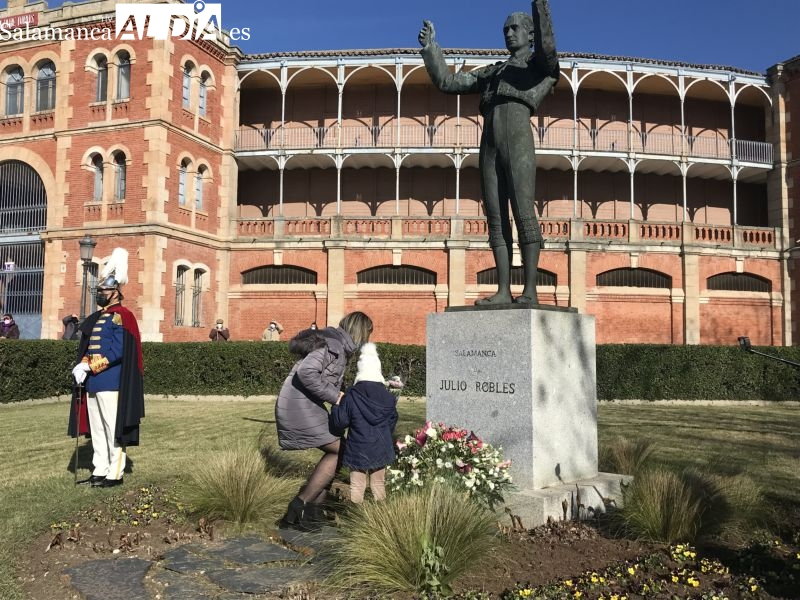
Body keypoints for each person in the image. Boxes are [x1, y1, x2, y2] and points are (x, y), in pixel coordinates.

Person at [418, 0, 559, 305]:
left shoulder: (538, 66)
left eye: (515, 28)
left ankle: (531, 290)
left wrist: (539, 5)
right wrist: (432, 50)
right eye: (505, 29)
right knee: (495, 217)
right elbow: (448, 81)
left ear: (529, 33)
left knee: (524, 213)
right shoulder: (494, 72)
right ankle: (504, 290)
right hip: (490, 143)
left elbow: (548, 46)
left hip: (518, 137)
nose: (509, 34)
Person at [275, 311, 374, 530]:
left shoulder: (338, 346)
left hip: (305, 405)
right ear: (358, 331)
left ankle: (312, 511)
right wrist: (336, 396)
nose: (367, 340)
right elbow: (307, 373)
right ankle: (300, 505)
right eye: (367, 334)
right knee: (340, 450)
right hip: (299, 406)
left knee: (341, 450)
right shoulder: (334, 345)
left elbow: (326, 379)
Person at [67, 248, 145, 488]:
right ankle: (99, 469)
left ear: (115, 293)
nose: (100, 293)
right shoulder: (100, 316)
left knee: (112, 427)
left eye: (104, 290)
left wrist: (91, 367)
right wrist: (82, 364)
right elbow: (90, 348)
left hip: (111, 381)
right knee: (97, 429)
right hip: (94, 382)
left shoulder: (122, 316)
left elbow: (118, 352)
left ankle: (115, 472)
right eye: (99, 290)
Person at [330, 342, 398, 504]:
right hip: (381, 446)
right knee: (378, 484)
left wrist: (336, 405)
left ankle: (355, 519)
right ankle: (381, 519)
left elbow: (340, 422)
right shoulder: (389, 396)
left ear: (360, 370)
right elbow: (392, 420)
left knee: (357, 485)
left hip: (358, 447)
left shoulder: (351, 395)